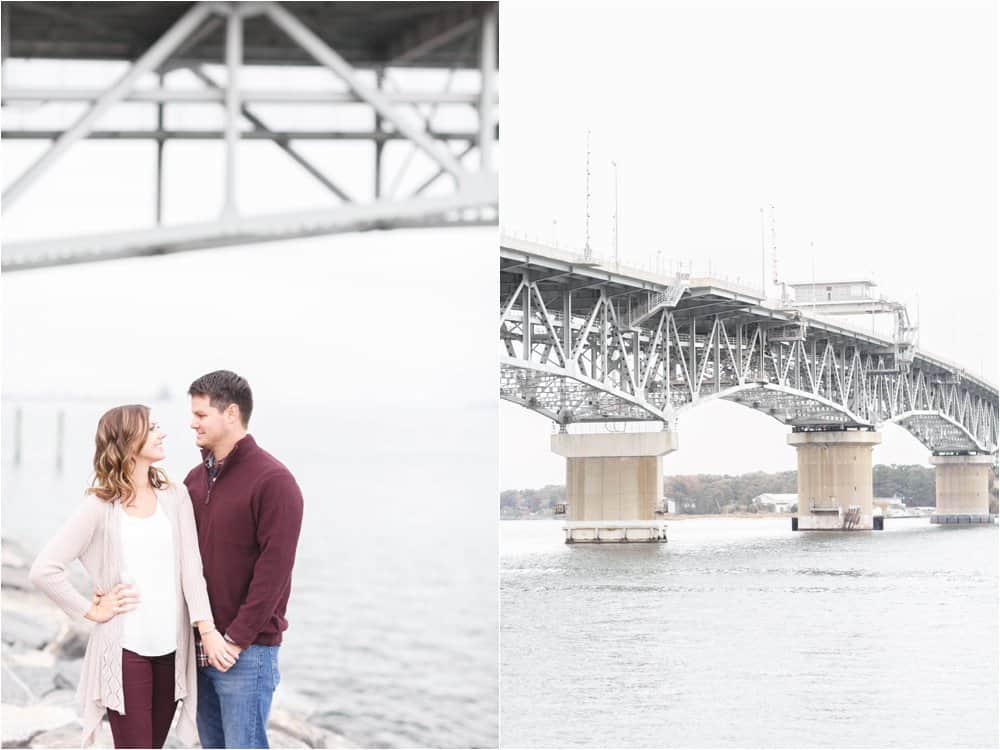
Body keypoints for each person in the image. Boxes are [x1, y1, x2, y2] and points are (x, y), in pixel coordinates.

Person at [30, 405, 235, 749]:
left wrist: (207, 628)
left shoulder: (175, 496)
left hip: (172, 650)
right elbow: (44, 570)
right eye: (152, 427)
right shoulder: (100, 506)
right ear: (128, 441)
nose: (162, 433)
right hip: (125, 652)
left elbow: (191, 571)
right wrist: (91, 610)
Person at [184, 370, 304, 749]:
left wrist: (235, 640)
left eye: (201, 415)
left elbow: (274, 571)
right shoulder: (194, 480)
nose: (193, 423)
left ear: (231, 413)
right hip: (200, 646)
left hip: (246, 652)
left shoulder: (274, 481)